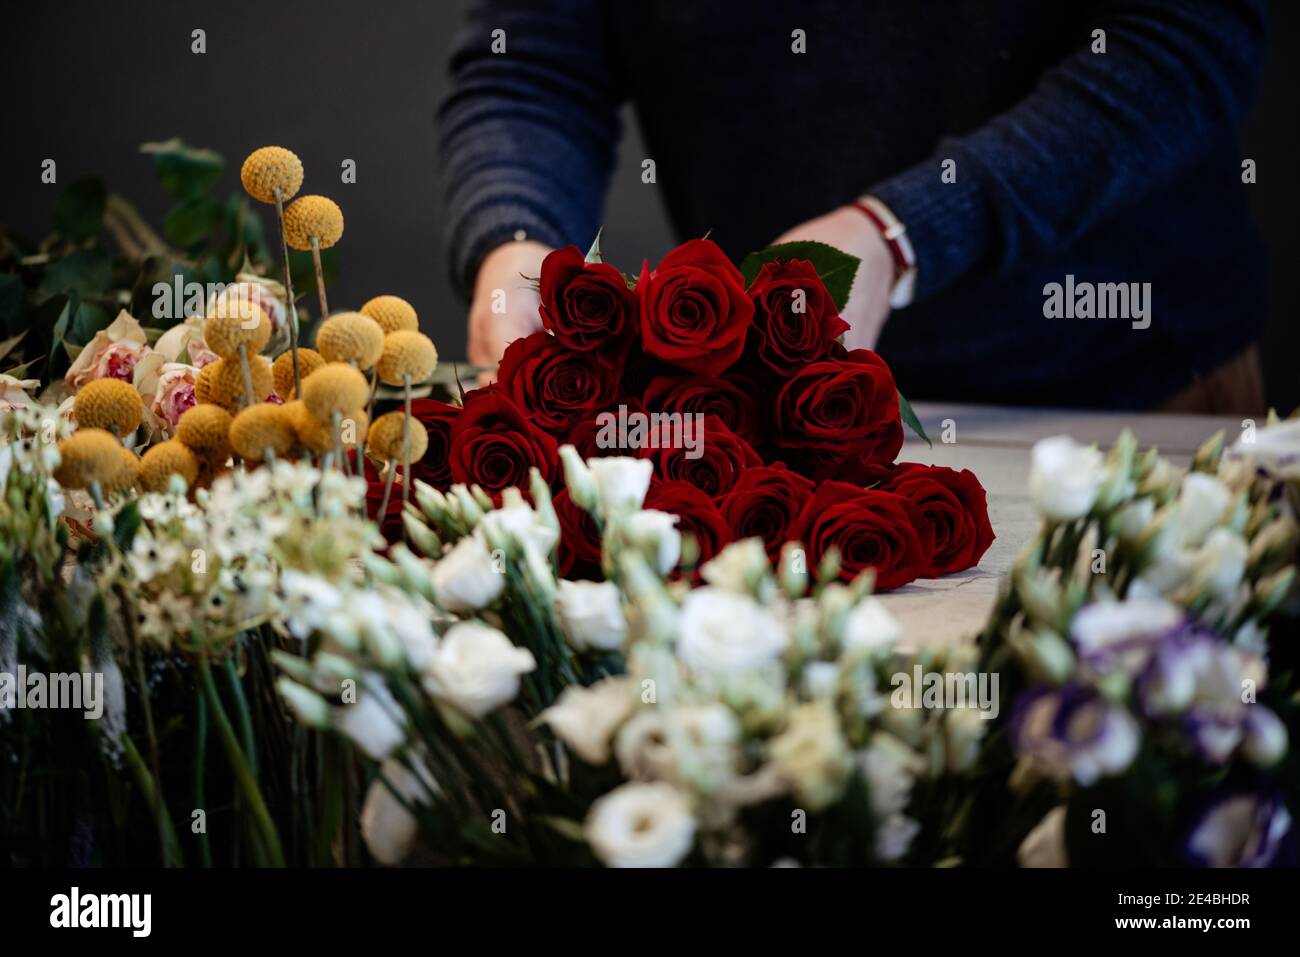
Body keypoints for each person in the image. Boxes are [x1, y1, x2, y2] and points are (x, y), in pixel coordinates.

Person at [438, 0, 1269, 413]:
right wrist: (517, 245)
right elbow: (532, 67)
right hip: (767, 424)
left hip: (1130, 401)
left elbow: (1185, 39)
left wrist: (901, 232)